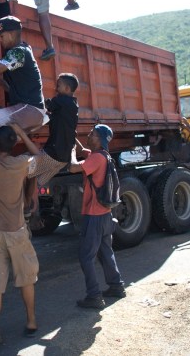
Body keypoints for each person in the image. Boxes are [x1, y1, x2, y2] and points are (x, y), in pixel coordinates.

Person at [0, 96, 41, 353]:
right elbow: (41, 157)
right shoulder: (20, 163)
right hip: (16, 231)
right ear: (12, 145)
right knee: (26, 278)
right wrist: (22, 133)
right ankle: (32, 321)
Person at [68, 124, 125, 310]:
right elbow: (84, 151)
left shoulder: (97, 159)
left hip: (94, 216)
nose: (89, 135)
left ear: (98, 139)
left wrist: (70, 152)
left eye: (91, 134)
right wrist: (72, 138)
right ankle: (116, 286)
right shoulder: (104, 156)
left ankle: (94, 296)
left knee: (86, 256)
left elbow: (73, 168)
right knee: (105, 251)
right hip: (106, 214)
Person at [24, 73, 79, 216]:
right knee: (34, 179)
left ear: (67, 88)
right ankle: (31, 207)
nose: (55, 88)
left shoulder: (61, 100)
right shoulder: (72, 104)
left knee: (24, 171)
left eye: (58, 85)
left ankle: (28, 206)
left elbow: (45, 104)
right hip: (63, 158)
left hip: (54, 154)